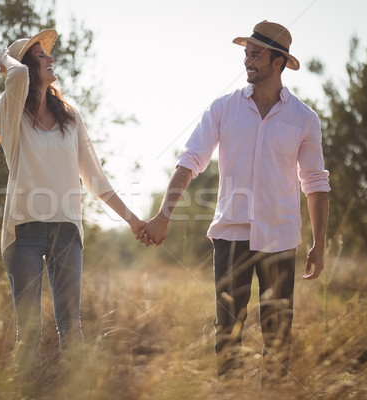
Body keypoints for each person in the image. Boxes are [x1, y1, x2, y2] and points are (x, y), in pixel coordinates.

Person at [138, 21, 330, 385]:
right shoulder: (223, 108)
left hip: (279, 238)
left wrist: (320, 244)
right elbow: (190, 160)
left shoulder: (304, 119)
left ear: (279, 62)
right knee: (228, 330)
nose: (247, 61)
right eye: (246, 53)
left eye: (256, 54)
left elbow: (315, 183)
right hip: (230, 237)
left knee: (278, 333)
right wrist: (164, 215)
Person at [0, 28, 145, 371]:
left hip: (67, 232)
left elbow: (95, 178)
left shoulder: (70, 116)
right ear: (23, 65)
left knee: (71, 327)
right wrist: (4, 60)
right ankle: (23, 392)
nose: (51, 58)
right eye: (41, 55)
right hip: (24, 232)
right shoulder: (9, 112)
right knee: (30, 330)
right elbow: (19, 75)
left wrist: (133, 220)